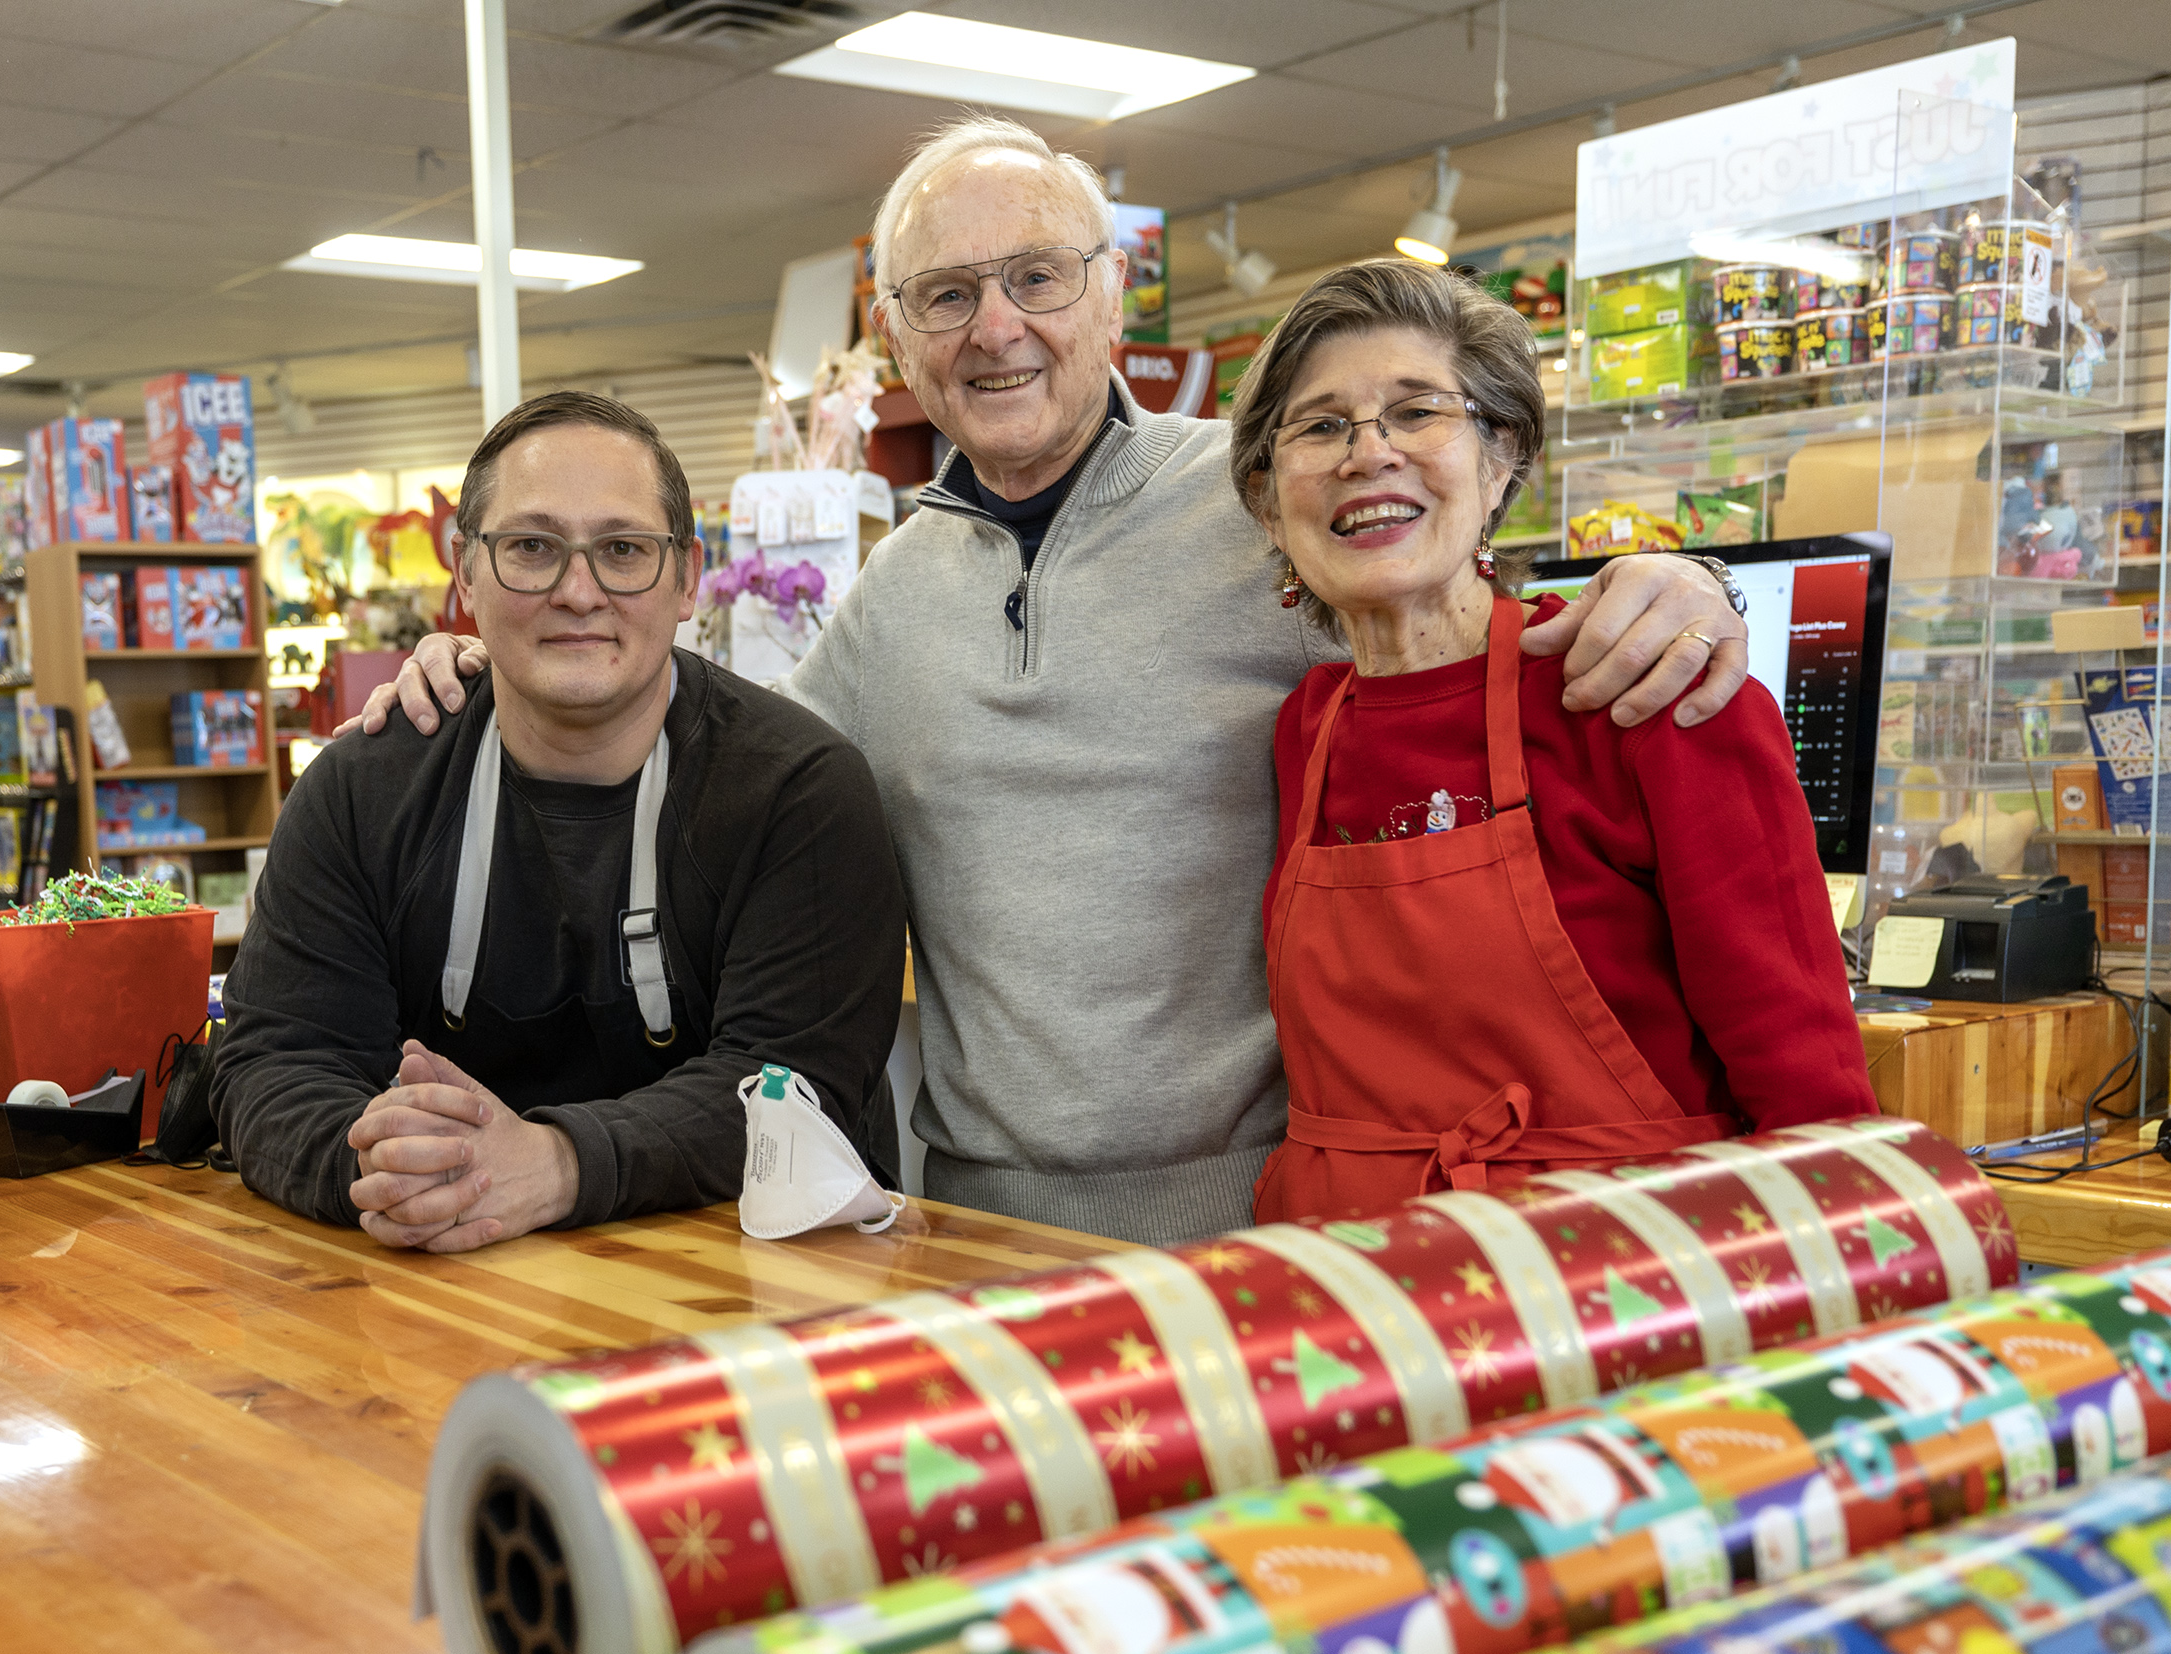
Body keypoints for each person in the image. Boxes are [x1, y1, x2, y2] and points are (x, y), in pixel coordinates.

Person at [349, 116, 1756, 1246]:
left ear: (1108, 290)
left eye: (1036, 276)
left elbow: (1447, 606)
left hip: (1278, 1217)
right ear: (900, 338)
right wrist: (501, 652)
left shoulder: (1265, 496)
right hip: (980, 1230)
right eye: (945, 295)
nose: (995, 327)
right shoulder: (889, 603)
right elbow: (693, 737)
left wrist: (1681, 585)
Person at [1231, 260, 1873, 1222]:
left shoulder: (1647, 686)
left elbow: (1807, 1077)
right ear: (1268, 500)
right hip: (1343, 1307)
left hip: (1616, 1298)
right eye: (1321, 426)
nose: (1367, 455)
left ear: (1501, 459)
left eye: (1417, 413)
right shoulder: (1307, 728)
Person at [209, 391, 906, 1251]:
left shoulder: (798, 793)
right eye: (532, 548)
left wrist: (553, 1163)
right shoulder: (360, 791)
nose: (580, 592)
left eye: (622, 550)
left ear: (688, 577)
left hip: (759, 1304)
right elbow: (274, 1060)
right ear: (465, 574)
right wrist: (384, 1169)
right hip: (436, 1303)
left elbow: (795, 1089)